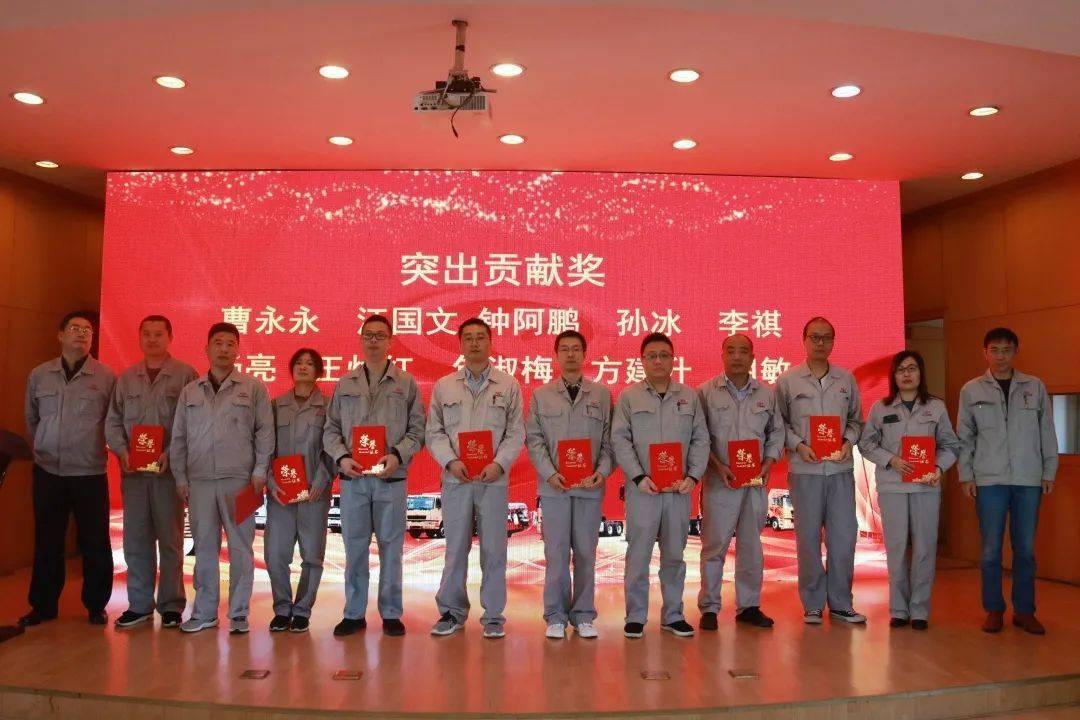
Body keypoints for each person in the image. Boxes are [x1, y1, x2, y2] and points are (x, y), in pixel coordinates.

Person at [323, 315, 426, 637]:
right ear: (361, 340)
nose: (374, 341)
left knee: (391, 549)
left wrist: (397, 454)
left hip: (390, 480)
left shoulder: (405, 383)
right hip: (353, 480)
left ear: (390, 341)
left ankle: (391, 613)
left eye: (380, 335)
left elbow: (418, 430)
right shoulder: (345, 383)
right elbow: (330, 430)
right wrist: (342, 458)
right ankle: (354, 613)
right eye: (368, 335)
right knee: (354, 549)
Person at [170, 322, 273, 635]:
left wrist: (260, 471)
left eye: (230, 343)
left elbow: (265, 433)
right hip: (199, 481)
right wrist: (180, 476)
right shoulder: (190, 391)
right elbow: (179, 437)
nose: (224, 349)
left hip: (240, 481)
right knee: (204, 548)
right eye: (218, 343)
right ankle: (204, 612)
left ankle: (239, 613)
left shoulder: (253, 388)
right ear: (207, 349)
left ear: (238, 350)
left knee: (241, 549)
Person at [426, 318, 525, 639]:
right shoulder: (444, 386)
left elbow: (515, 432)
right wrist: (450, 461)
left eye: (480, 337)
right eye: (468, 338)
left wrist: (499, 463)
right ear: (460, 344)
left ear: (490, 342)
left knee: (494, 550)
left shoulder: (508, 385)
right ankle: (451, 612)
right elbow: (434, 432)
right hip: (457, 480)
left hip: (492, 480)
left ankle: (493, 616)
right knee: (455, 549)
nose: (474, 343)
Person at [957, 327, 1058, 635]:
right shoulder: (971, 390)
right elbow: (965, 437)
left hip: (1028, 478)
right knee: (990, 550)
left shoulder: (1034, 386)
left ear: (1016, 351)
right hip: (989, 480)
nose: (1001, 356)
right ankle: (994, 609)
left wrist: (1048, 470)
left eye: (1006, 350)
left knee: (1025, 549)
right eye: (995, 350)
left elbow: (1046, 431)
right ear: (985, 353)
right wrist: (966, 475)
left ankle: (1024, 611)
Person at [20, 311, 116, 627]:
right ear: (60, 335)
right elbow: (32, 419)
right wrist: (46, 444)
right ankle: (43, 605)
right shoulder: (40, 375)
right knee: (47, 539)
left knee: (95, 541)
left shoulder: (106, 377)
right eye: (75, 328)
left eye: (87, 330)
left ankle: (96, 605)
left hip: (89, 471)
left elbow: (113, 421)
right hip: (48, 470)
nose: (81, 333)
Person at [611, 332, 709, 638]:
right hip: (643, 491)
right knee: (638, 554)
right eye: (651, 356)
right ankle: (635, 616)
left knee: (675, 556)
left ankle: (673, 614)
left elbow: (701, 439)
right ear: (642, 361)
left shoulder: (689, 396)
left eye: (664, 355)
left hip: (678, 490)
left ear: (673, 360)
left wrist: (693, 477)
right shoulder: (629, 397)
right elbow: (620, 440)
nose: (658, 361)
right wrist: (638, 477)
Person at [105, 314, 197, 629]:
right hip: (134, 475)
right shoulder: (127, 378)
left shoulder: (185, 375)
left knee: (170, 541)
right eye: (147, 334)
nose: (152, 339)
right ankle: (140, 604)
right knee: (136, 540)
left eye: (159, 334)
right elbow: (113, 421)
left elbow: (191, 423)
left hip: (168, 474)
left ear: (170, 337)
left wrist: (171, 454)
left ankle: (171, 605)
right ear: (140, 337)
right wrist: (121, 451)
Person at [858, 350, 959, 630]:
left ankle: (920, 610)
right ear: (894, 375)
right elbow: (866, 444)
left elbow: (951, 446)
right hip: (892, 487)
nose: (906, 374)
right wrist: (891, 459)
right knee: (897, 548)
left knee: (925, 548)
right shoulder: (881, 408)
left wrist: (938, 468)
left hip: (925, 487)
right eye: (901, 369)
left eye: (912, 368)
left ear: (920, 373)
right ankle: (899, 609)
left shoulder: (936, 407)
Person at [775, 316, 866, 624]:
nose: (820, 343)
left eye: (826, 337)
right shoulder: (788, 381)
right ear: (804, 340)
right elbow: (779, 424)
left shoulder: (846, 379)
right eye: (814, 337)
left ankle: (841, 602)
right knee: (808, 540)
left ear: (833, 342)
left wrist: (847, 442)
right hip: (805, 471)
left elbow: (856, 421)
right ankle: (812, 603)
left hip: (839, 470)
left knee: (844, 538)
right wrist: (798, 444)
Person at [525, 330, 614, 640]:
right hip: (555, 488)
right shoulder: (541, 395)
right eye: (564, 349)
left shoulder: (601, 395)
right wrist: (550, 473)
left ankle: (584, 614)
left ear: (585, 354)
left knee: (587, 553)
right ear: (556, 355)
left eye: (576, 349)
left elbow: (610, 441)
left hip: (589, 488)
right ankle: (555, 615)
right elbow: (534, 440)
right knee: (557, 553)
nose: (571, 354)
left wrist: (602, 471)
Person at [696, 333, 785, 630]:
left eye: (743, 351)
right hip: (720, 481)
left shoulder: (766, 394)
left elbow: (776, 433)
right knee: (714, 544)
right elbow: (699, 437)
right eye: (731, 351)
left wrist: (769, 462)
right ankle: (709, 607)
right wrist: (717, 465)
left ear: (752, 357)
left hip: (754, 483)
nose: (737, 356)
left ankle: (749, 606)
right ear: (722, 355)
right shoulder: (705, 393)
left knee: (751, 545)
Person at [265, 348, 335, 633]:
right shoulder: (275, 405)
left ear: (319, 371)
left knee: (312, 555)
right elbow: (266, 447)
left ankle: (303, 610)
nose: (303, 367)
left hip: (314, 493)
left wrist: (322, 479)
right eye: (299, 363)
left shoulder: (329, 406)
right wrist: (270, 480)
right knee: (276, 555)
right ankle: (282, 609)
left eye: (310, 363)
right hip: (281, 494)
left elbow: (332, 447)